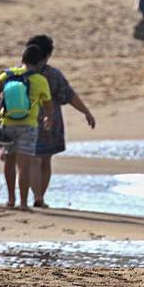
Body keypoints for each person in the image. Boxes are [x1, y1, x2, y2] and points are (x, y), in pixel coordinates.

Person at [22, 35, 96, 208]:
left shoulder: (16, 73)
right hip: (50, 123)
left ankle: (34, 195)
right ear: (47, 55)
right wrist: (86, 112)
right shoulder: (52, 75)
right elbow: (69, 96)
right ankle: (39, 197)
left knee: (31, 160)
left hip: (24, 121)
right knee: (45, 160)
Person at [0, 45, 53, 211]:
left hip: (7, 123)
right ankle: (24, 203)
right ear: (40, 62)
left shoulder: (7, 75)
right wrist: (49, 118)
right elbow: (48, 104)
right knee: (24, 165)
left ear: (22, 59)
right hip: (29, 126)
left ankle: (11, 199)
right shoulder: (40, 80)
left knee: (9, 162)